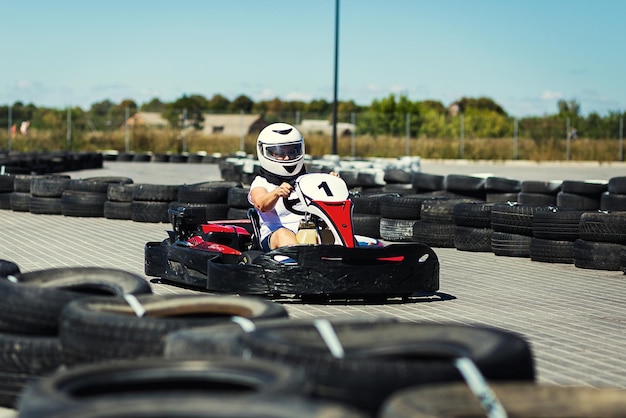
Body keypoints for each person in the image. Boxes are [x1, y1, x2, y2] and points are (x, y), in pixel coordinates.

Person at [248, 122, 336, 250]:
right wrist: (277, 193)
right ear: (265, 152)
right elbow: (261, 205)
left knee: (329, 232)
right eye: (280, 153)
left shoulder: (308, 179)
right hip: (274, 237)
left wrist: (332, 183)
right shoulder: (261, 182)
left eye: (292, 152)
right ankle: (301, 264)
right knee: (284, 234)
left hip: (308, 233)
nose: (287, 157)